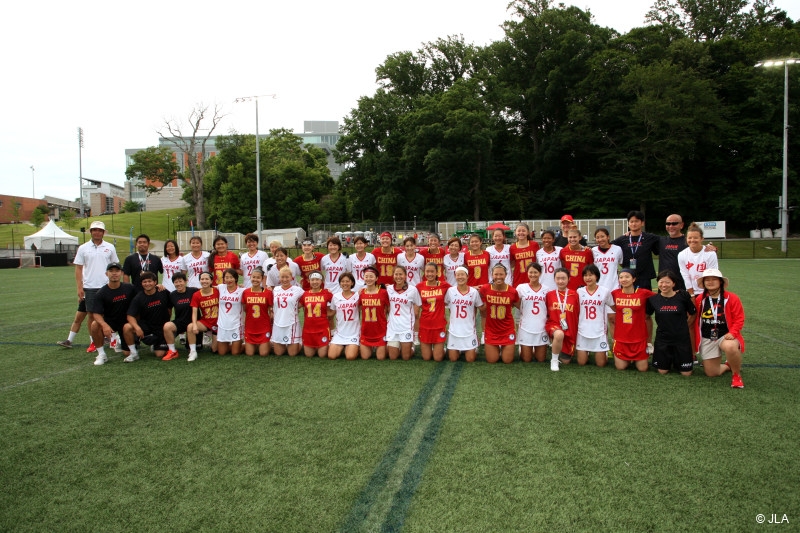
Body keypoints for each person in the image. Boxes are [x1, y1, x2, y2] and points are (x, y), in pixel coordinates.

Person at [70, 220, 119, 353]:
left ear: (103, 232)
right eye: (95, 230)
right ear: (91, 232)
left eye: (100, 230)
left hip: (107, 286)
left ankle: (112, 339)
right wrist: (79, 287)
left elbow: (115, 267)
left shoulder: (110, 247)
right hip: (90, 286)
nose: (97, 232)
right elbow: (78, 268)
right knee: (91, 315)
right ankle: (94, 342)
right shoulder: (83, 248)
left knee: (110, 314)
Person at [694, 269, 745, 388]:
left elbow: (739, 318)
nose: (710, 282)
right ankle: (728, 365)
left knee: (730, 346)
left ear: (721, 282)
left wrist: (733, 332)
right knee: (712, 373)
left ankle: (736, 375)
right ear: (704, 283)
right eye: (707, 280)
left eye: (714, 279)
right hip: (707, 337)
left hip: (725, 335)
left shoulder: (732, 298)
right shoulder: (700, 299)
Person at [646, 270, 696, 376]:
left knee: (686, 373)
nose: (664, 285)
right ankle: (668, 360)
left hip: (681, 339)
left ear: (673, 283)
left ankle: (678, 359)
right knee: (662, 371)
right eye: (661, 282)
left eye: (667, 282)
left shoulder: (683, 296)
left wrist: (685, 326)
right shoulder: (653, 299)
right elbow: (647, 316)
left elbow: (693, 313)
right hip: (663, 339)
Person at [87, 262, 136, 365]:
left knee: (127, 353)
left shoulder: (130, 288)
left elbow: (143, 296)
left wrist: (158, 286)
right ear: (106, 274)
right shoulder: (101, 293)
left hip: (126, 322)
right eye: (111, 271)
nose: (114, 273)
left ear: (121, 273)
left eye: (117, 271)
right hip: (110, 322)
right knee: (95, 324)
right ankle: (101, 355)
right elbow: (96, 313)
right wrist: (104, 325)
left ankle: (119, 340)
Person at [610, 269, 654, 372]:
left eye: (627, 277)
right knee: (620, 367)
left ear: (634, 279)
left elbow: (661, 297)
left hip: (638, 338)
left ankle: (636, 359)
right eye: (621, 277)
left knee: (642, 369)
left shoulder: (643, 293)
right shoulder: (615, 293)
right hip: (621, 338)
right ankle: (628, 359)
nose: (624, 279)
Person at [124, 271, 172, 361]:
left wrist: (167, 322)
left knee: (159, 354)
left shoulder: (163, 292)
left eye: (150, 281)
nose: (147, 284)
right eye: (144, 282)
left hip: (161, 328)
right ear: (141, 284)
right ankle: (134, 353)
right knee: (127, 327)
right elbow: (130, 316)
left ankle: (156, 343)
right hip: (146, 327)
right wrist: (137, 328)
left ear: (155, 282)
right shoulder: (138, 298)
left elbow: (170, 307)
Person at [576, 264, 615, 367]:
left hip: (599, 331)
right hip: (583, 331)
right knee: (581, 363)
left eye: (591, 275)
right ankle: (587, 351)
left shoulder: (605, 291)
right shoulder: (579, 292)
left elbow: (614, 307)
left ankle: (604, 352)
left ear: (596, 276)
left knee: (601, 364)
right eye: (585, 275)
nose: (588, 278)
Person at [479, 264, 519, 364]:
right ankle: (497, 349)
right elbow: (477, 299)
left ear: (506, 275)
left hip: (507, 329)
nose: (498, 277)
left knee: (507, 360)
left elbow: (518, 305)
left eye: (501, 274)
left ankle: (504, 349)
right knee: (492, 360)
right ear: (492, 275)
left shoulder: (512, 291)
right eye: (496, 274)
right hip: (491, 330)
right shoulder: (485, 288)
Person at [612, 211, 660, 291]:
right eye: (631, 221)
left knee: (645, 298)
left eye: (636, 221)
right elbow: (608, 246)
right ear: (628, 224)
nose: (634, 224)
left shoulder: (650, 238)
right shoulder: (622, 239)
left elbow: (666, 241)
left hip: (644, 277)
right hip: (627, 277)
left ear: (642, 223)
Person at [444, 266, 484, 362]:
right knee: (453, 358)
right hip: (454, 331)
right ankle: (456, 348)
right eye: (458, 275)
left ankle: (475, 346)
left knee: (470, 359)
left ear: (467, 276)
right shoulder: (450, 291)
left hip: (469, 331)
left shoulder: (474, 292)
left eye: (462, 275)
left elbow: (481, 307)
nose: (460, 277)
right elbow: (445, 304)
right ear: (455, 276)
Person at [545, 268, 580, 371]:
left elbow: (578, 313)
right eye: (558, 278)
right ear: (554, 279)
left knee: (566, 361)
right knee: (559, 334)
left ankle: (557, 346)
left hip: (569, 328)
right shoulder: (549, 294)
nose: (560, 281)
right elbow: (546, 312)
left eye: (563, 278)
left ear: (569, 279)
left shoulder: (575, 295)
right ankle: (554, 360)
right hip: (554, 325)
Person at [385, 265, 421, 360]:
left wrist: (415, 315)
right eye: (396, 274)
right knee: (393, 357)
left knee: (405, 357)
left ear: (405, 275)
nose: (398, 277)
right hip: (393, 326)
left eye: (400, 274)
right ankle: (395, 345)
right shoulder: (388, 289)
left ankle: (411, 346)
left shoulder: (412, 289)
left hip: (406, 326)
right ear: (393, 275)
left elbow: (418, 304)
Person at [516, 262, 551, 363]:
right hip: (526, 327)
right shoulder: (521, 288)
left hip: (541, 327)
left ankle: (534, 348)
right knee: (526, 359)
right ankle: (522, 347)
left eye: (535, 272)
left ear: (540, 273)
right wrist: (523, 309)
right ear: (527, 273)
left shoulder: (547, 289)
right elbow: (515, 302)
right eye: (530, 272)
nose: (533, 275)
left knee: (541, 359)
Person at [417, 262, 450, 362]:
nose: (430, 274)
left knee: (438, 358)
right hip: (425, 324)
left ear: (437, 273)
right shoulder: (419, 286)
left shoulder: (444, 285)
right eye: (427, 271)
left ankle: (443, 348)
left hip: (439, 324)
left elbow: (457, 291)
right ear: (424, 272)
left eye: (432, 271)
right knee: (426, 358)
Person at [162, 272, 198, 361]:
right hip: (180, 322)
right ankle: (172, 351)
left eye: (180, 281)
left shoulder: (193, 291)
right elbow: (169, 309)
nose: (178, 284)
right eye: (176, 282)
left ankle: (193, 350)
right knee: (167, 326)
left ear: (185, 281)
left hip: (193, 323)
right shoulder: (172, 295)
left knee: (194, 348)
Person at [678, 222, 719, 297]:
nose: (692, 240)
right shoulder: (682, 255)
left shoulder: (710, 254)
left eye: (695, 238)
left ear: (702, 239)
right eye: (689, 238)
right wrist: (691, 294)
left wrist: (708, 294)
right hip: (692, 292)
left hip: (708, 291)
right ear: (686, 238)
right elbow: (685, 276)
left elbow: (712, 275)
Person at [272, 266, 305, 356]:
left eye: (287, 277)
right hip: (278, 323)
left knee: (292, 354)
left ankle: (301, 343)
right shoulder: (275, 289)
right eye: (282, 277)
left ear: (291, 277)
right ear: (279, 278)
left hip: (292, 323)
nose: (285, 279)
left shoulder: (297, 289)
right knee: (278, 353)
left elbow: (307, 297)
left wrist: (297, 306)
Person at [359, 266, 390, 360]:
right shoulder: (361, 293)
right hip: (366, 330)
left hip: (380, 330)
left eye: (371, 276)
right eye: (366, 276)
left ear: (376, 278)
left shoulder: (383, 292)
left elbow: (389, 310)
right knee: (365, 357)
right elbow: (359, 309)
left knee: (381, 357)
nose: (368, 279)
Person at [300, 271, 334, 357]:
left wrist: (332, 314)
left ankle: (331, 343)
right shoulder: (305, 294)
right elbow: (296, 306)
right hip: (308, 329)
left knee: (322, 355)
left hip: (322, 329)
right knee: (309, 355)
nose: (315, 282)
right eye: (312, 280)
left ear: (321, 281)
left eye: (317, 280)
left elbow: (338, 304)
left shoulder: (327, 293)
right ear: (309, 281)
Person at [328, 272, 361, 360]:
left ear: (352, 283)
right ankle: (344, 347)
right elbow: (331, 313)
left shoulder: (358, 295)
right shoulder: (336, 296)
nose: (345, 283)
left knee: (350, 357)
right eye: (342, 281)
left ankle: (355, 347)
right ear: (340, 283)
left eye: (347, 281)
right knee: (331, 356)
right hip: (340, 333)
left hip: (353, 333)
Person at [242, 267, 273, 356]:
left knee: (264, 353)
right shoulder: (246, 292)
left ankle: (270, 343)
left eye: (258, 277)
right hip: (250, 326)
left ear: (262, 279)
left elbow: (271, 310)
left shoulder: (268, 293)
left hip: (264, 327)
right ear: (250, 277)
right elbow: (245, 309)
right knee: (249, 353)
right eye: (253, 277)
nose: (255, 279)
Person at [190, 271, 220, 360]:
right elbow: (194, 312)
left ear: (211, 281)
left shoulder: (217, 291)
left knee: (215, 350)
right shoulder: (196, 295)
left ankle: (216, 342)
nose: (204, 281)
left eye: (207, 279)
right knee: (190, 327)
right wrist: (194, 325)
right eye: (202, 279)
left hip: (219, 323)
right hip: (206, 321)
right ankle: (193, 352)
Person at [216, 268, 245, 356]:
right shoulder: (221, 287)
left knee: (235, 353)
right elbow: (207, 288)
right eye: (227, 277)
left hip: (236, 324)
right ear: (224, 279)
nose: (229, 280)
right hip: (222, 324)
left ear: (236, 278)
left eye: (231, 277)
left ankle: (246, 345)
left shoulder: (242, 290)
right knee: (222, 353)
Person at [509, 223, 540, 289]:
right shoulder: (512, 247)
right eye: (519, 231)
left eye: (523, 231)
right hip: (518, 278)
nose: (521, 233)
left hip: (532, 277)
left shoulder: (534, 245)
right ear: (515, 232)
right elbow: (512, 264)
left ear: (528, 232)